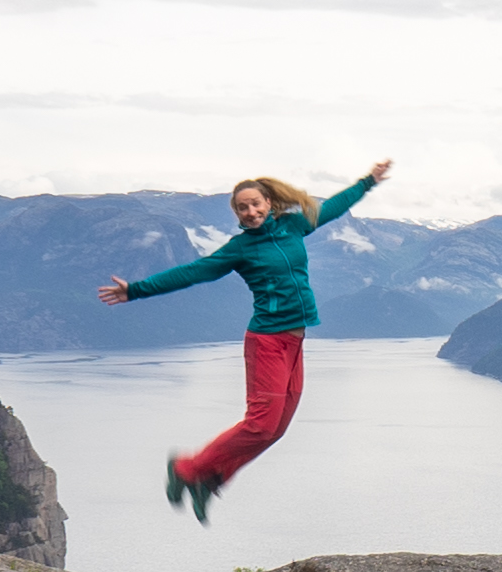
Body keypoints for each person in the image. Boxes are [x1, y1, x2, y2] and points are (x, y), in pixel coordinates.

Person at [96, 159, 394, 520]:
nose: (251, 212)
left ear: (269, 203)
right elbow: (192, 272)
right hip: (267, 342)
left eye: (256, 204)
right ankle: (186, 469)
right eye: (243, 208)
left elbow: (332, 207)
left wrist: (368, 182)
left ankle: (212, 478)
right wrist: (137, 290)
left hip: (294, 343)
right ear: (237, 214)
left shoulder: (294, 226)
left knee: (276, 429)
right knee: (260, 424)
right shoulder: (240, 249)